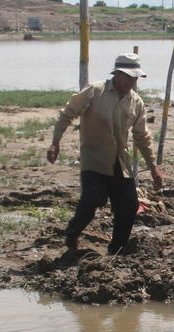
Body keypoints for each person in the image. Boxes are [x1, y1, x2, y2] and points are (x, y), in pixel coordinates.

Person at [47, 53, 163, 255]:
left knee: (129, 205)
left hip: (120, 161)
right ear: (117, 74)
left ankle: (116, 248)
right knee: (94, 197)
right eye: (129, 77)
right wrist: (55, 142)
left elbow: (142, 136)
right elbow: (67, 114)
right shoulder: (95, 91)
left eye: (135, 78)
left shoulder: (136, 102)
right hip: (94, 158)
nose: (132, 82)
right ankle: (73, 232)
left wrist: (153, 168)